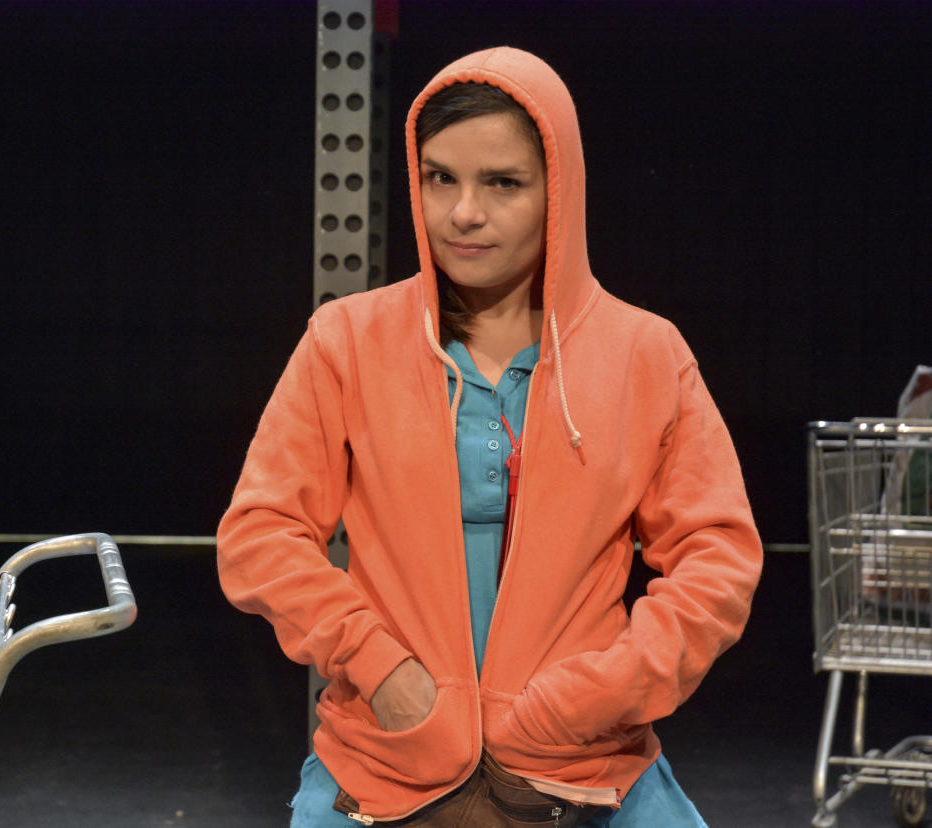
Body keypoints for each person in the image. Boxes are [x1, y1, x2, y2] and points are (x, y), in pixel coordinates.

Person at [217, 46, 762, 826]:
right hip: (385, 754)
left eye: (501, 183)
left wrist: (599, 693)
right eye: (440, 177)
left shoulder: (644, 352)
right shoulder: (347, 340)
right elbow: (260, 534)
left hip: (586, 757)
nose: (462, 212)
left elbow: (718, 558)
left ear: (558, 192)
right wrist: (385, 671)